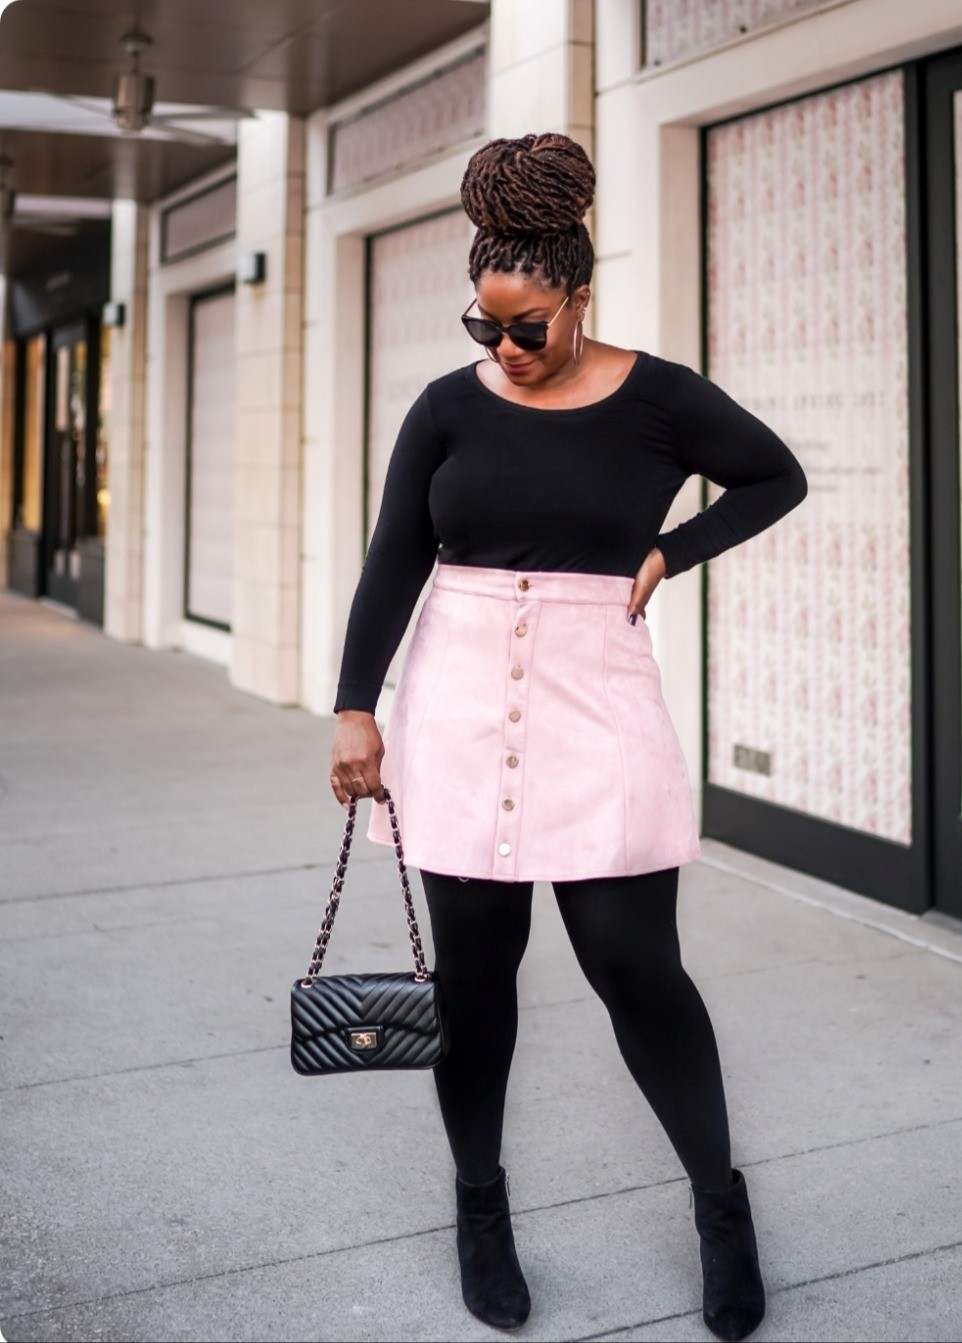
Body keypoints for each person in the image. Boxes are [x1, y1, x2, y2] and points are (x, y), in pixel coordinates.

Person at [329, 132, 807, 1342]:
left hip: (600, 699)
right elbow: (395, 554)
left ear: (575, 297)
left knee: (632, 967)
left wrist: (665, 550)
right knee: (476, 978)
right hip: (454, 695)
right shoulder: (444, 409)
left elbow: (771, 479)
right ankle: (478, 1208)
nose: (503, 348)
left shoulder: (662, 398)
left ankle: (718, 1206)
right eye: (481, 325)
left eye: (525, 325)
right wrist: (353, 704)